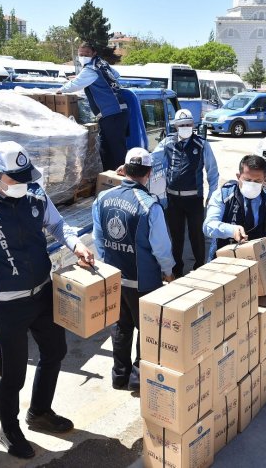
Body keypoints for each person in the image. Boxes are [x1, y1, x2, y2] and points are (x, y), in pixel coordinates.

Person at [0, 141, 95, 459]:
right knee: (13, 373)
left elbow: (57, 224)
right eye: (16, 179)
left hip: (42, 292)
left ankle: (39, 411)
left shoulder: (35, 194)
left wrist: (76, 244)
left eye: (25, 177)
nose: (23, 185)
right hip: (6, 304)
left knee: (56, 351)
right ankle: (9, 428)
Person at [93, 147, 175, 390]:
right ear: (148, 173)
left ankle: (119, 376)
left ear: (124, 169)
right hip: (144, 281)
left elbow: (98, 241)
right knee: (146, 329)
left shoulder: (103, 198)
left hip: (115, 278)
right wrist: (169, 272)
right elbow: (161, 248)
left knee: (120, 326)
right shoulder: (151, 206)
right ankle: (138, 379)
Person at [152, 109, 219, 277]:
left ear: (193, 125)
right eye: (182, 125)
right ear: (176, 126)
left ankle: (199, 268)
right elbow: (152, 159)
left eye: (188, 124)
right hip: (173, 199)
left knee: (197, 236)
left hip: (194, 199)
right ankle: (176, 269)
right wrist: (132, 164)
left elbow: (212, 172)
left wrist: (212, 196)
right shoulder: (167, 143)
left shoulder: (202, 144)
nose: (185, 127)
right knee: (176, 237)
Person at [203, 154, 266, 279]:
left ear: (264, 180)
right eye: (247, 180)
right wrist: (231, 230)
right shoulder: (223, 195)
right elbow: (208, 226)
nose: (252, 184)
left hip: (257, 268)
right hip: (221, 265)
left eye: (257, 181)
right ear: (238, 177)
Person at [58, 41, 128, 171]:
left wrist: (60, 91)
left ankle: (121, 180)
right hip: (118, 112)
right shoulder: (101, 64)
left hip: (112, 113)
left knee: (115, 151)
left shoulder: (91, 69)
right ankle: (109, 177)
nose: (83, 56)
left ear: (94, 53)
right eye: (81, 54)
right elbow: (116, 75)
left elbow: (75, 85)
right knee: (107, 148)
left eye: (87, 54)